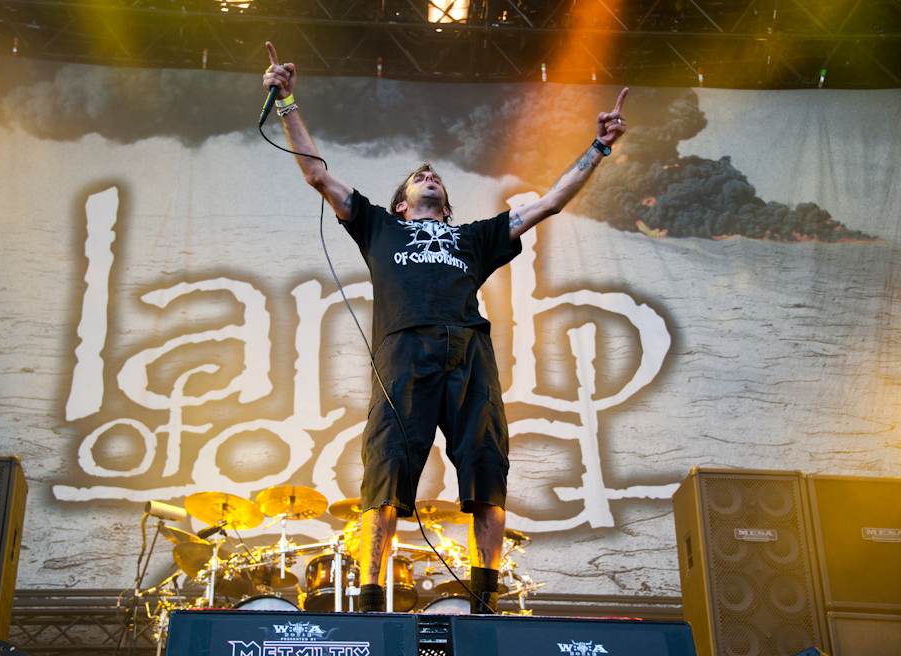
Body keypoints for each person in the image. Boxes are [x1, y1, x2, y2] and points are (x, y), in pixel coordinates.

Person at [262, 41, 627, 614]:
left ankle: (485, 595)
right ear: (403, 205)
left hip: (467, 351)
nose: (428, 175)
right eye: (417, 176)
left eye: (434, 176)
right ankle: (372, 594)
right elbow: (317, 175)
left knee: (485, 465)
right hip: (403, 352)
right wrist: (286, 102)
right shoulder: (380, 228)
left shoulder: (473, 237)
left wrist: (599, 147)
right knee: (385, 470)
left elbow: (551, 202)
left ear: (445, 206)